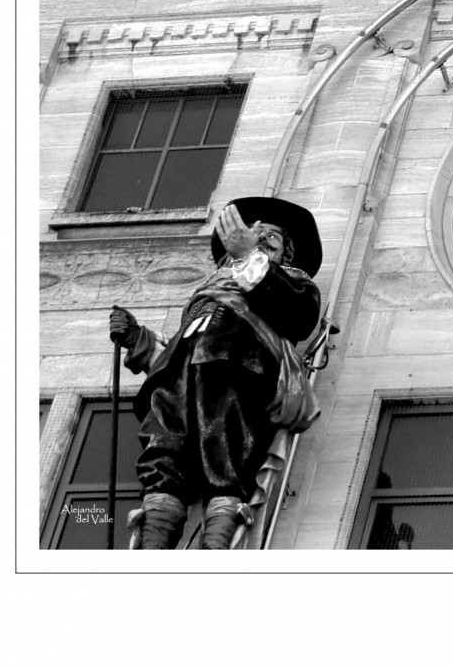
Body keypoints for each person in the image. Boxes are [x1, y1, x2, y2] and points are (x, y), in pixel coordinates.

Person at [108, 197, 322, 549]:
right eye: (252, 235)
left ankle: (218, 549)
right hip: (178, 378)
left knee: (224, 457)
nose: (257, 240)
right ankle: (152, 544)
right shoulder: (208, 292)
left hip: (235, 367)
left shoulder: (292, 283)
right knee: (164, 452)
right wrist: (137, 339)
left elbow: (299, 316)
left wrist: (247, 257)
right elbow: (180, 349)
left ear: (287, 255)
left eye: (270, 240)